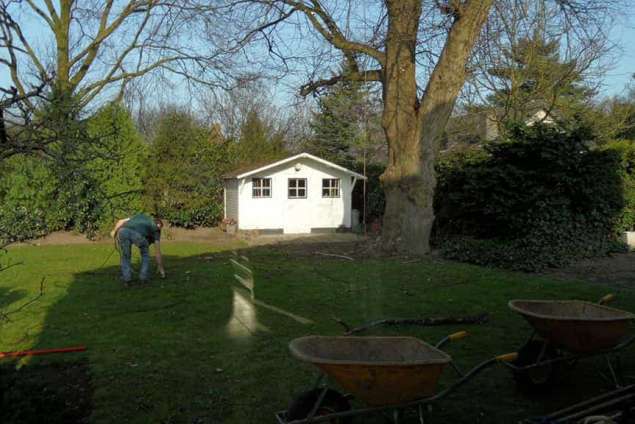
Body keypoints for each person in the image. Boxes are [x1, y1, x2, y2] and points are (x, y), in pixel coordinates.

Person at [110, 213, 165, 284]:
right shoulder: (156, 229)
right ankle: (143, 277)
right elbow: (157, 252)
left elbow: (120, 221)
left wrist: (114, 231)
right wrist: (161, 268)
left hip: (122, 231)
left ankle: (127, 279)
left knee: (125, 256)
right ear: (159, 225)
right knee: (145, 254)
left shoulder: (140, 216)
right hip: (137, 235)